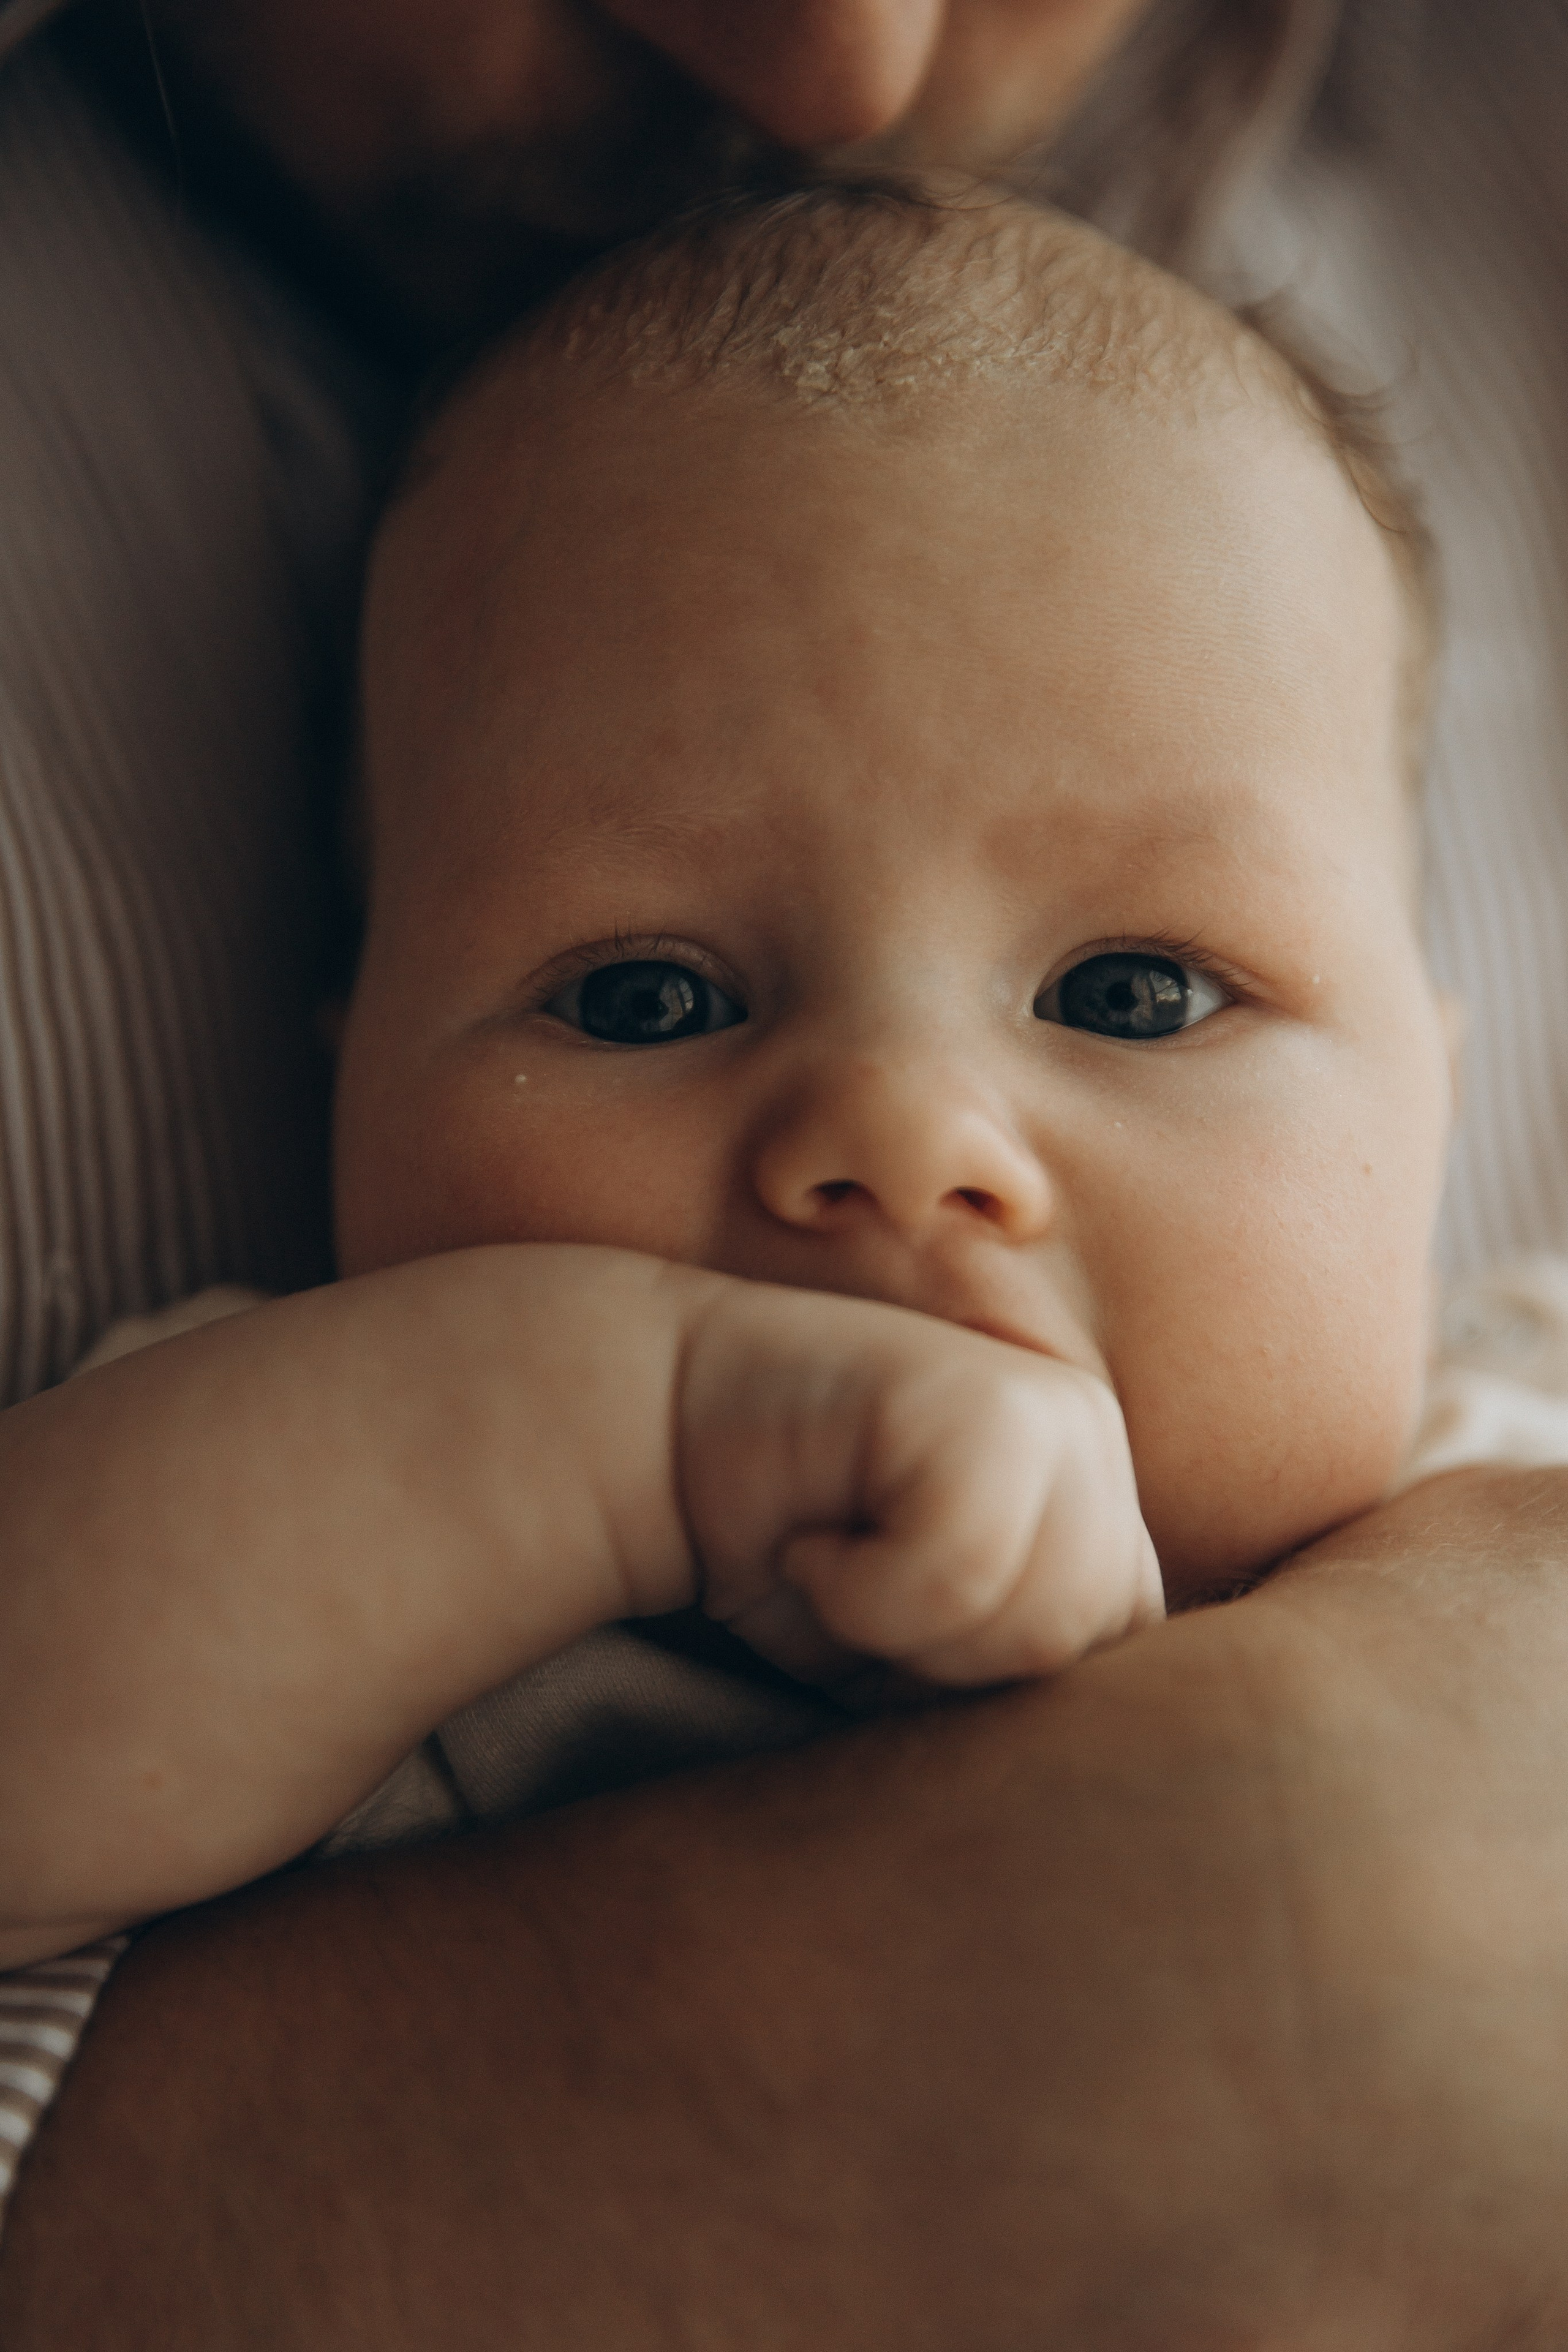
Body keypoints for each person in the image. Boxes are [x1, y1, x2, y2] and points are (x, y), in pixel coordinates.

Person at [4, 2, 1568, 2345]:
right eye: (643, 999)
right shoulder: (328, 1524)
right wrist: (636, 1444)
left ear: (1437, 1107)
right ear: (343, 1087)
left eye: (1140, 995)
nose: (901, 1136)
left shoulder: (1500, 1440)